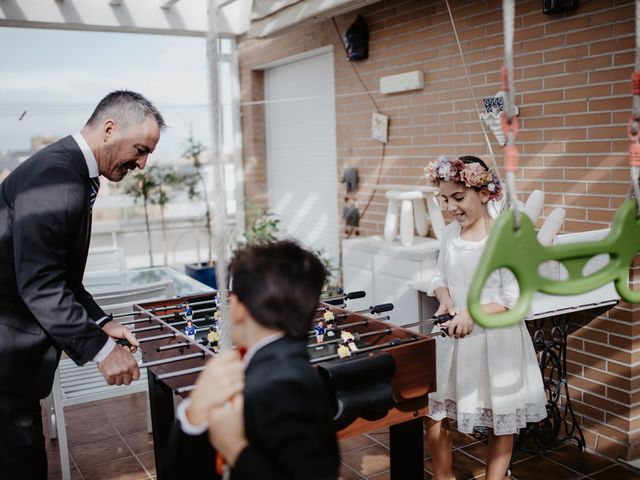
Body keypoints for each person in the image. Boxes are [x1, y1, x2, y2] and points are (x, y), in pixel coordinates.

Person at [0, 90, 165, 479]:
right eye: (140, 150)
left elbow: (60, 275)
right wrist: (102, 350)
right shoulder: (57, 176)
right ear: (110, 129)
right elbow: (40, 284)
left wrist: (101, 321)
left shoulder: (68, 169)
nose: (142, 164)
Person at [162, 240, 340, 479]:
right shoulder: (283, 368)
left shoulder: (282, 384)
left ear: (237, 307)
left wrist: (235, 448)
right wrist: (194, 413)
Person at [423, 155, 547, 480]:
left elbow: (511, 298)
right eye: (445, 199)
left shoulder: (502, 239)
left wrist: (472, 314)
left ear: (484, 193)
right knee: (435, 410)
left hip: (496, 337)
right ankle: (443, 476)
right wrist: (445, 298)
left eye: (458, 198)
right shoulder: (450, 234)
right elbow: (439, 277)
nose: (451, 206)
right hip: (454, 335)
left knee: (499, 416)